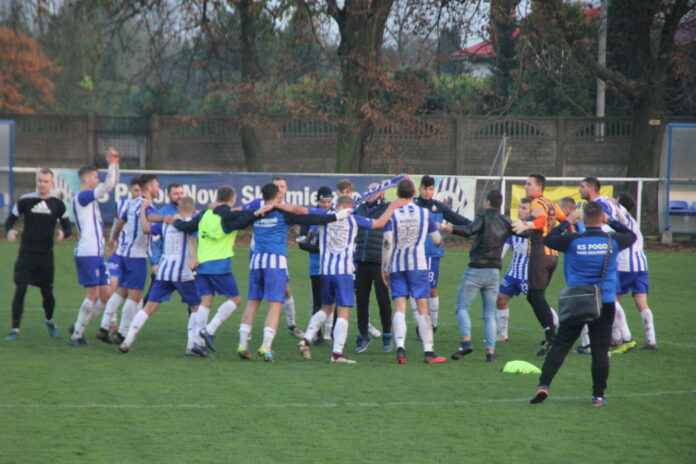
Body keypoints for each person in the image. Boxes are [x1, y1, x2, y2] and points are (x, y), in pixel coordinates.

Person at [530, 201, 636, 407]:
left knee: (561, 345)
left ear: (583, 219)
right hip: (604, 301)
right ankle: (598, 396)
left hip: (577, 300)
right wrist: (611, 221)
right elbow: (631, 235)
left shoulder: (572, 240)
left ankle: (544, 385)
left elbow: (548, 239)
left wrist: (566, 222)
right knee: (600, 349)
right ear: (601, 218)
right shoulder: (613, 240)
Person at [237, 183, 343, 362]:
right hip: (275, 261)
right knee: (275, 305)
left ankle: (242, 345)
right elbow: (308, 217)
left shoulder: (256, 211)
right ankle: (266, 347)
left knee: (252, 303)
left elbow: (237, 218)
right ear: (278, 196)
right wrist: (335, 216)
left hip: (256, 261)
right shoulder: (282, 212)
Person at [297, 195, 403, 363]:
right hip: (344, 272)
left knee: (326, 309)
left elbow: (304, 219)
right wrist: (393, 206)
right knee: (343, 312)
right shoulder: (354, 219)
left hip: (325, 271)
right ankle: (337, 353)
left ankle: (306, 339)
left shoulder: (325, 217)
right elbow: (379, 224)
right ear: (350, 207)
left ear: (336, 206)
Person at [174, 185, 265, 357]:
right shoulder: (226, 219)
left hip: (202, 266)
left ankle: (197, 343)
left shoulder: (204, 214)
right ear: (232, 200)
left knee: (205, 303)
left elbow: (188, 227)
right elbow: (244, 220)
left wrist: (176, 221)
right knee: (235, 300)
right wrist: (257, 213)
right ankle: (209, 330)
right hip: (219, 266)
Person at [118, 197, 202, 354]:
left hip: (164, 272)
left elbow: (145, 229)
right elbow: (192, 240)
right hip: (183, 273)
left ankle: (127, 340)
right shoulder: (192, 224)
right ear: (193, 209)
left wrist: (142, 210)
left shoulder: (166, 223)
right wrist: (193, 258)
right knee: (196, 307)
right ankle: (191, 346)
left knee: (149, 307)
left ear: (178, 208)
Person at [440, 190, 513, 362]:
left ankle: (466, 341)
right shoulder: (506, 221)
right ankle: (490, 352)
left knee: (462, 307)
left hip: (476, 269)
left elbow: (469, 230)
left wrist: (446, 227)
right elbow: (523, 233)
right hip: (494, 271)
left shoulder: (483, 216)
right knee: (489, 313)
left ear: (487, 202)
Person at [381, 178, 447, 365]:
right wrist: (440, 241)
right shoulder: (425, 213)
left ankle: (400, 348)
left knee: (400, 307)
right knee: (422, 306)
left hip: (397, 265)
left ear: (397, 194)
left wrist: (384, 268)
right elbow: (436, 240)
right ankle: (428, 351)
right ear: (414, 193)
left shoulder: (392, 214)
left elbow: (387, 243)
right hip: (418, 265)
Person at [4, 168, 72, 341]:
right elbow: (9, 221)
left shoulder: (57, 204)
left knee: (47, 294)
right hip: (26, 255)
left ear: (52, 183)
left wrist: (63, 234)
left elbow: (68, 227)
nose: (42, 184)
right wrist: (10, 230)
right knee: (20, 289)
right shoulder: (25, 200)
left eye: (46, 181)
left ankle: (49, 321)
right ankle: (15, 329)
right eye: (40, 181)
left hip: (45, 256)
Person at [104, 174, 173, 345]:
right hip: (137, 256)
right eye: (156, 185)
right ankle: (122, 333)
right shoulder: (146, 205)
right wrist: (163, 218)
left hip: (126, 254)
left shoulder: (132, 203)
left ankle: (104, 326)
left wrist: (113, 238)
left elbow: (120, 221)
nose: (158, 188)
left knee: (121, 291)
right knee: (134, 296)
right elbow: (149, 219)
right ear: (149, 188)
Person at [68, 147, 121, 345]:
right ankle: (77, 335)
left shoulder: (88, 199)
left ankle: (79, 325)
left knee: (106, 295)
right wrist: (112, 163)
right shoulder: (82, 197)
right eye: (95, 177)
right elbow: (108, 185)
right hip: (87, 253)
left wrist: (116, 163)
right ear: (87, 179)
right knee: (92, 295)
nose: (98, 180)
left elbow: (111, 183)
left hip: (96, 254)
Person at [512, 173, 567, 356]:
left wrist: (528, 225)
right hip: (553, 256)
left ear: (539, 187)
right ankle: (551, 334)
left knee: (536, 296)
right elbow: (566, 221)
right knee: (533, 296)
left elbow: (541, 220)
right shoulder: (551, 203)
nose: (525, 186)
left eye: (529, 184)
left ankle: (552, 337)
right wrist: (570, 235)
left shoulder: (536, 203)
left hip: (539, 254)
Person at [578, 176, 635, 353]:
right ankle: (618, 336)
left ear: (591, 188)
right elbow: (622, 220)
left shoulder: (600, 203)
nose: (579, 189)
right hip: (603, 251)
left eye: (582, 186)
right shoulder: (603, 202)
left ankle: (622, 337)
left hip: (601, 253)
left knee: (601, 297)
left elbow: (611, 224)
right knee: (604, 297)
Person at [244, 176, 304, 338]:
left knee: (285, 290)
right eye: (277, 186)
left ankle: (292, 325)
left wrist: (302, 237)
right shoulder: (258, 203)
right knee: (256, 295)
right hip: (257, 254)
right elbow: (242, 212)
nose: (280, 189)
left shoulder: (286, 208)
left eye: (282, 186)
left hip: (276, 256)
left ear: (286, 189)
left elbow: (295, 227)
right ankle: (247, 330)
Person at [412, 175, 470, 336]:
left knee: (432, 289)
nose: (427, 192)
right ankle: (419, 325)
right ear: (420, 188)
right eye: (424, 188)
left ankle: (433, 323)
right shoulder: (413, 206)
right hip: (414, 254)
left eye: (430, 189)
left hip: (432, 253)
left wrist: (475, 225)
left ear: (434, 190)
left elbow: (458, 219)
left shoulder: (439, 207)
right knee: (414, 289)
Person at [353, 183, 395, 353]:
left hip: (379, 261)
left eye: (375, 191)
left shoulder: (387, 209)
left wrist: (388, 264)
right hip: (361, 260)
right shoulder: (360, 208)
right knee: (361, 300)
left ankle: (387, 335)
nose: (371, 193)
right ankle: (363, 335)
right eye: (369, 190)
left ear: (381, 193)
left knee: (383, 300)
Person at [614, 192, 657, 350]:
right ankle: (651, 340)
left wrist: (614, 204)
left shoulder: (623, 219)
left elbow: (620, 213)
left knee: (612, 300)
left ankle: (616, 336)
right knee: (642, 303)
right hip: (641, 265)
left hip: (624, 265)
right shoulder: (633, 221)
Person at [101, 176, 141, 341]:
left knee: (129, 293)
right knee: (114, 287)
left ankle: (117, 326)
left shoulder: (144, 206)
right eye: (135, 190)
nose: (138, 193)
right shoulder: (123, 204)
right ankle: (112, 324)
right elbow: (117, 224)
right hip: (119, 252)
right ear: (130, 190)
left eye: (140, 190)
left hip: (133, 255)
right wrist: (112, 242)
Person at [297, 186, 333, 346]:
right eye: (323, 202)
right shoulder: (310, 216)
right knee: (318, 302)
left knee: (334, 300)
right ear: (318, 201)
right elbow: (301, 242)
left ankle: (333, 333)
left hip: (333, 265)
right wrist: (318, 246)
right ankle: (317, 336)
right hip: (316, 266)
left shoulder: (335, 215)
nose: (326, 205)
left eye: (329, 201)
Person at [496, 197, 532, 342]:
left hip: (528, 275)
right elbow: (503, 249)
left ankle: (555, 327)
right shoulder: (513, 228)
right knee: (500, 300)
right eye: (519, 207)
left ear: (531, 212)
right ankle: (502, 335)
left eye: (524, 208)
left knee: (538, 304)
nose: (520, 210)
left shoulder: (534, 230)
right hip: (512, 274)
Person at [144, 182, 185, 305]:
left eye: (181, 193)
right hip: (165, 264)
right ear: (168, 195)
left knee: (194, 300)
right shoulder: (161, 214)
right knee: (151, 299)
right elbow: (154, 241)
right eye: (176, 193)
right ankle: (136, 316)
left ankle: (195, 320)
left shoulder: (189, 212)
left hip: (184, 264)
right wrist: (155, 262)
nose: (179, 196)